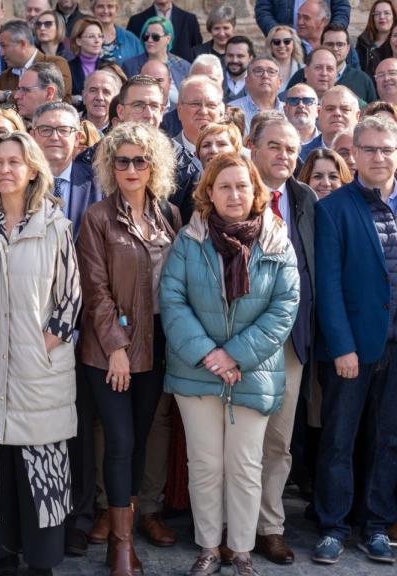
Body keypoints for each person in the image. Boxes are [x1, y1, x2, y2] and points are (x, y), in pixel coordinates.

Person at [160, 152, 299, 576]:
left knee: (245, 465)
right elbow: (172, 299)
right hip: (197, 370)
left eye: (242, 185)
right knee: (205, 465)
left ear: (255, 190)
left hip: (253, 371)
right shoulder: (190, 239)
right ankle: (208, 547)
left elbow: (284, 306)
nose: (234, 194)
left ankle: (240, 551)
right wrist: (210, 354)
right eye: (224, 186)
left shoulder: (276, 239)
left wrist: (234, 354)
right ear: (209, 193)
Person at [0, 130, 80, 576]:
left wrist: (41, 348)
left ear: (32, 171)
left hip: (38, 368)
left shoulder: (56, 227)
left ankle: (40, 561)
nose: (6, 170)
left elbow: (69, 301)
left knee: (38, 467)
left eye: (15, 162)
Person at [77, 122, 179, 576]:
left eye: (140, 160)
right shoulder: (98, 217)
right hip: (109, 351)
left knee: (138, 441)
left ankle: (131, 526)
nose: (131, 168)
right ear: (110, 165)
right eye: (122, 160)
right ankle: (118, 547)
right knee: (117, 441)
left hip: (157, 346)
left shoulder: (169, 216)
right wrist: (116, 347)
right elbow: (94, 290)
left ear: (153, 164)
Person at [313, 115, 397, 565]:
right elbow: (327, 285)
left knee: (389, 439)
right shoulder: (334, 209)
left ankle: (377, 525)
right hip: (352, 349)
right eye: (370, 150)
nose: (379, 157)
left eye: (386, 149)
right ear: (355, 155)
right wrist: (342, 346)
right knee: (339, 440)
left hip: (396, 348)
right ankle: (333, 526)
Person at [246, 114, 318, 567]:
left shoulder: (305, 198)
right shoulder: (229, 188)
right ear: (253, 147)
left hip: (290, 341)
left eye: (291, 149)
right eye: (274, 146)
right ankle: (232, 524)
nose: (283, 156)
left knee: (278, 441)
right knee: (237, 441)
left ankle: (269, 526)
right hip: (236, 340)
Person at [122, 17, 190, 91]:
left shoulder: (184, 67)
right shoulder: (130, 66)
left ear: (168, 39)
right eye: (146, 36)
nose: (149, 40)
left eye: (155, 37)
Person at [126, 0, 202, 62]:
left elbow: (197, 50)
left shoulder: (190, 20)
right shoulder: (136, 21)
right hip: (146, 74)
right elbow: (131, 51)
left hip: (182, 75)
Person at [91, 0, 143, 65]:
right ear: (93, 10)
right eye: (100, 6)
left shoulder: (131, 40)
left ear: (116, 9)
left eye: (110, 6)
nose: (105, 11)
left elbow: (142, 66)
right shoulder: (84, 38)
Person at [358, 0, 395, 74]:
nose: (382, 17)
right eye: (377, 14)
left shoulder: (395, 44)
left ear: (394, 17)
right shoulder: (363, 43)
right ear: (373, 18)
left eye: (386, 13)